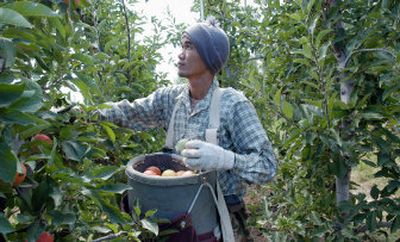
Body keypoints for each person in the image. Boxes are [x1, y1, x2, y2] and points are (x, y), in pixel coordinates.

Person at [97, 16, 277, 241]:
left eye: (189, 46)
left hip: (220, 218)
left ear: (210, 56)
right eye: (182, 45)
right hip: (175, 217)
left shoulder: (233, 105)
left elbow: (267, 166)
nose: (181, 54)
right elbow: (128, 112)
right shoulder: (170, 99)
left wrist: (225, 159)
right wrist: (85, 115)